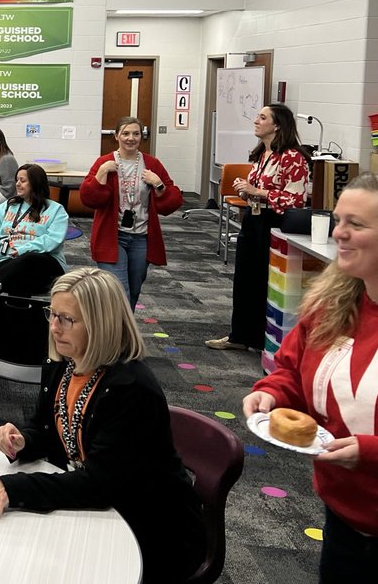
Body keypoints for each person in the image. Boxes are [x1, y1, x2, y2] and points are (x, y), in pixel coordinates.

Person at [0, 268, 205, 584]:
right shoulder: (65, 362)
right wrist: (24, 440)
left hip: (151, 529)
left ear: (100, 325)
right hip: (99, 506)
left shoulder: (131, 389)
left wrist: (12, 487)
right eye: (52, 314)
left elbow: (100, 485)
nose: (53, 327)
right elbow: (48, 430)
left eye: (67, 319)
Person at [243, 173, 378, 583]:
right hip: (343, 516)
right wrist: (270, 394)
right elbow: (292, 371)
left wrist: (369, 451)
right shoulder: (332, 306)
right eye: (338, 220)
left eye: (356, 224)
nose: (339, 233)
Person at [207, 102, 311, 351]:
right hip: (253, 220)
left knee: (266, 281)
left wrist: (258, 192)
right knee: (245, 279)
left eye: (262, 117)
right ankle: (240, 335)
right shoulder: (262, 154)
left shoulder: (293, 158)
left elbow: (296, 199)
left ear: (277, 125)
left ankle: (264, 339)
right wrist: (248, 190)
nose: (256, 120)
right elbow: (260, 190)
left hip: (274, 224)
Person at [79, 116, 182, 309]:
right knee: (119, 292)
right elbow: (89, 199)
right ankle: (116, 336)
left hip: (141, 237)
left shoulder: (152, 164)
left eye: (136, 133)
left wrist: (158, 184)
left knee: (133, 291)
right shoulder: (105, 162)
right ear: (117, 136)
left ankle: (123, 335)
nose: (131, 138)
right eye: (125, 133)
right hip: (112, 236)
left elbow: (172, 202)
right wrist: (102, 173)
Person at [0, 164, 69, 297]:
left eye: (23, 180)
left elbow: (53, 240)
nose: (18, 184)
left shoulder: (55, 209)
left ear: (36, 183)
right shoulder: (8, 206)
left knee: (28, 261)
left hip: (46, 262)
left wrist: (23, 250)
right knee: (19, 279)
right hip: (8, 262)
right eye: (17, 180)